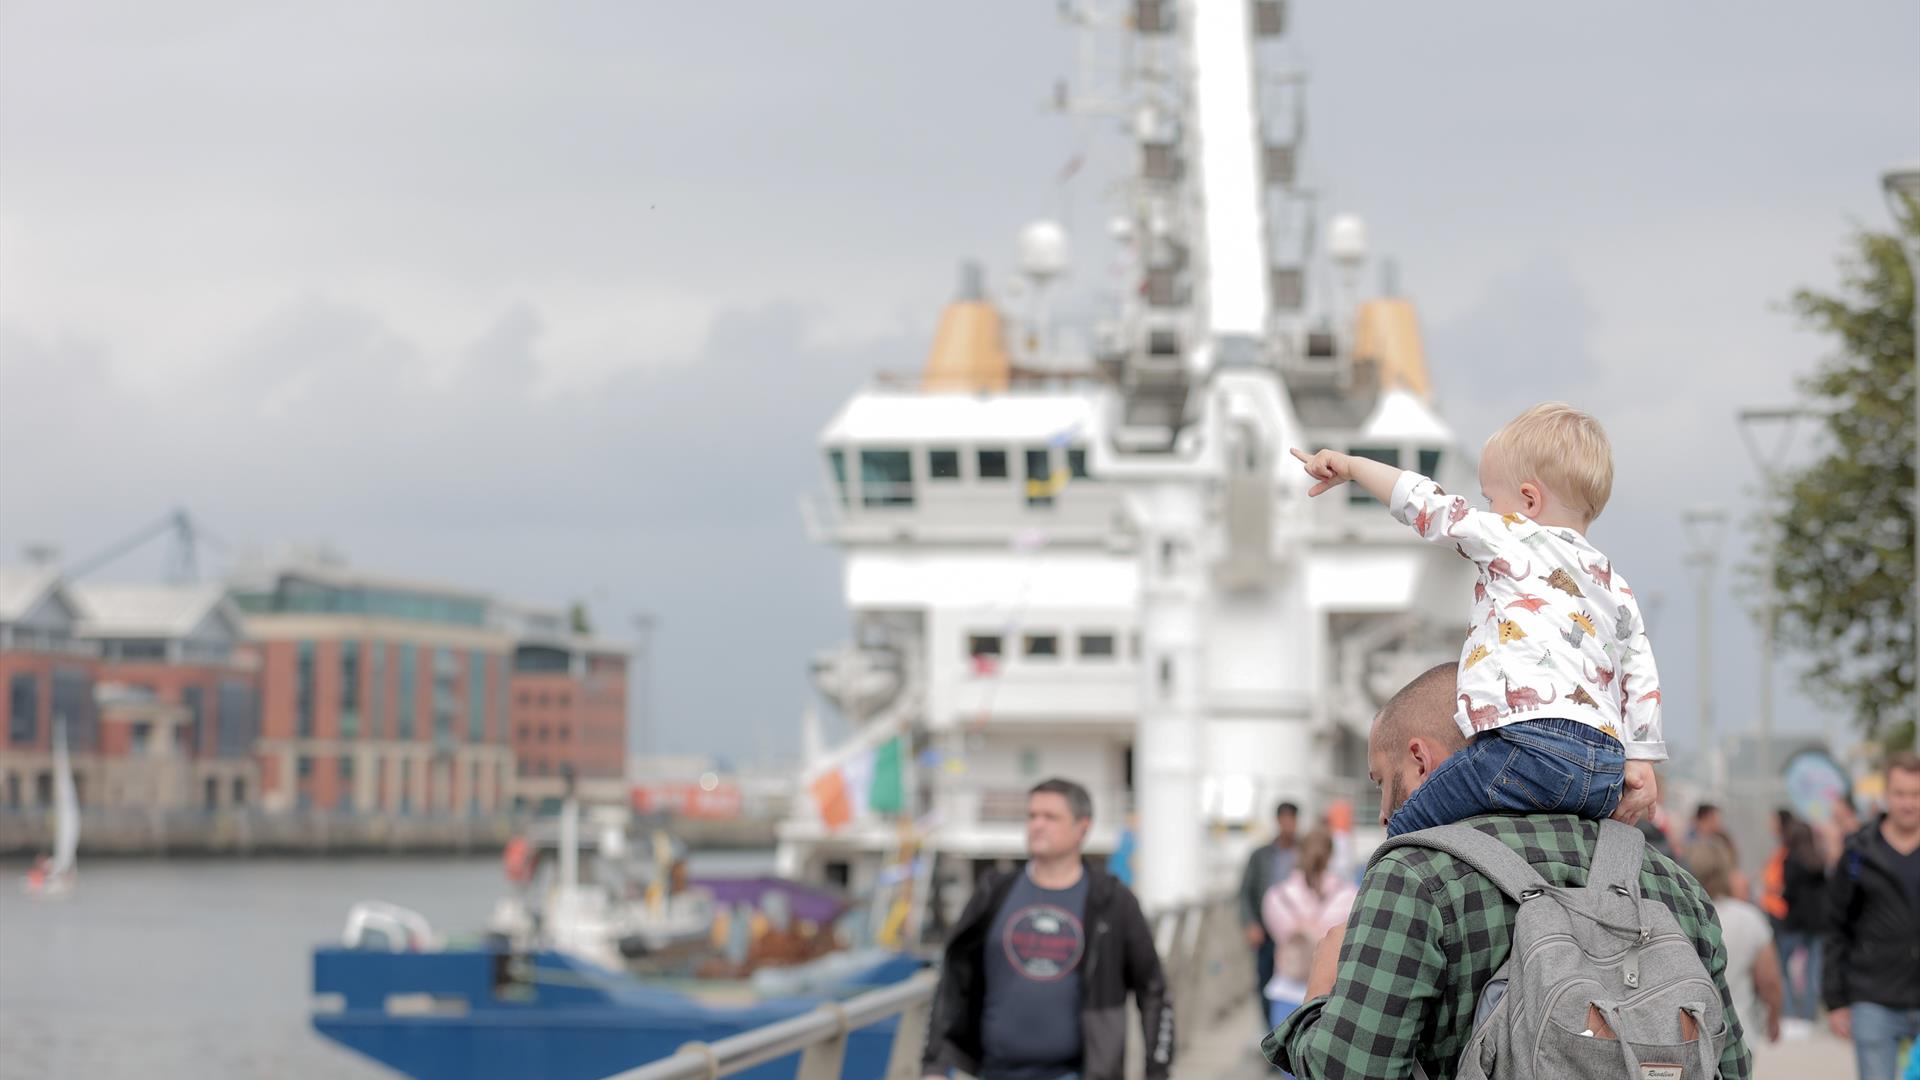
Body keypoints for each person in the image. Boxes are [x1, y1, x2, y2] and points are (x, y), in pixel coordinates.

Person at [1263, 662, 1750, 1080]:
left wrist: (1319, 996)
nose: (1385, 813)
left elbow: (1353, 1072)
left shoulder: (1413, 878)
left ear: (1418, 761)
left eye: (1380, 782)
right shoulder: (1671, 882)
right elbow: (1730, 1064)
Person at [1291, 402, 1662, 838]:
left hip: (1528, 747)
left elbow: (1426, 505)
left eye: (1490, 498)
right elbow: (1641, 676)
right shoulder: (1614, 584)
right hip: (1604, 771)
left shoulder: (1512, 534)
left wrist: (1353, 467)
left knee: (1408, 825)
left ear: (1528, 500)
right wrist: (1641, 761)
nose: (1486, 509)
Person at [921, 778, 1172, 1080]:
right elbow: (953, 979)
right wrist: (934, 1065)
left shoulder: (1111, 902)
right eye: (1032, 816)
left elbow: (1153, 989)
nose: (1037, 825)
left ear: (1082, 827)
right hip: (993, 1072)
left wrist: (1158, 1070)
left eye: (1050, 817)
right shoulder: (994, 892)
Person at [1822, 752, 1920, 1080]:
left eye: (1917, 794)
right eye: (1901, 794)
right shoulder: (1859, 853)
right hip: (1873, 997)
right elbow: (1836, 925)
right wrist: (1835, 1000)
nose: (1909, 803)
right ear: (1886, 795)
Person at [1260, 828, 1357, 1036]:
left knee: (1287, 1063)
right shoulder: (1350, 895)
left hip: (1286, 990)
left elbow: (1278, 933)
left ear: (1299, 853)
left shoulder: (1277, 896)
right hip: (1333, 997)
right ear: (1331, 855)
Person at [1690, 835, 1783, 1045]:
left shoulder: (1678, 914)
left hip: (1687, 1033)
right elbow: (1770, 981)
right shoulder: (1748, 918)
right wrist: (1774, 1019)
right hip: (1738, 1031)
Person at [1238, 800, 1300, 1031]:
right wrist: (1250, 924)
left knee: (1294, 988)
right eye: (1283, 819)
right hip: (1266, 933)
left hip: (1295, 935)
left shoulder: (1303, 853)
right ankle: (1270, 1035)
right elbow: (1245, 892)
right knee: (1265, 985)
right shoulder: (1260, 856)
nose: (1287, 825)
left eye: (1291, 820)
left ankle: (1292, 1036)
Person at [1773, 817, 1827, 1028]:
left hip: (1795, 922)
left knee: (1782, 964)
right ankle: (1809, 1012)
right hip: (1818, 923)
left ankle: (1788, 1009)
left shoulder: (1791, 860)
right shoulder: (1819, 861)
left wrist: (1780, 894)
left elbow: (1790, 892)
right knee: (1813, 968)